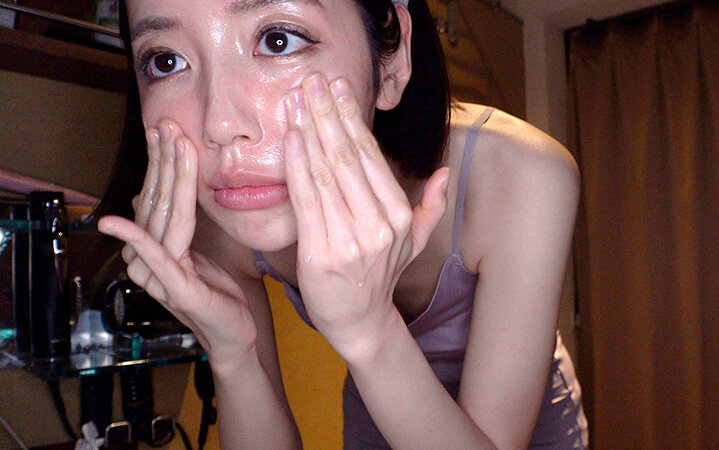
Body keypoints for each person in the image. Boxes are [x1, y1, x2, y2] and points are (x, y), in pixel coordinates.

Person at [96, 0, 588, 447]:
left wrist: (370, 333)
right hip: (376, 403)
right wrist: (231, 355)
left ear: (391, 59)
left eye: (278, 40)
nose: (218, 125)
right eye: (165, 61)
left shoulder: (522, 174)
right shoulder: (223, 215)